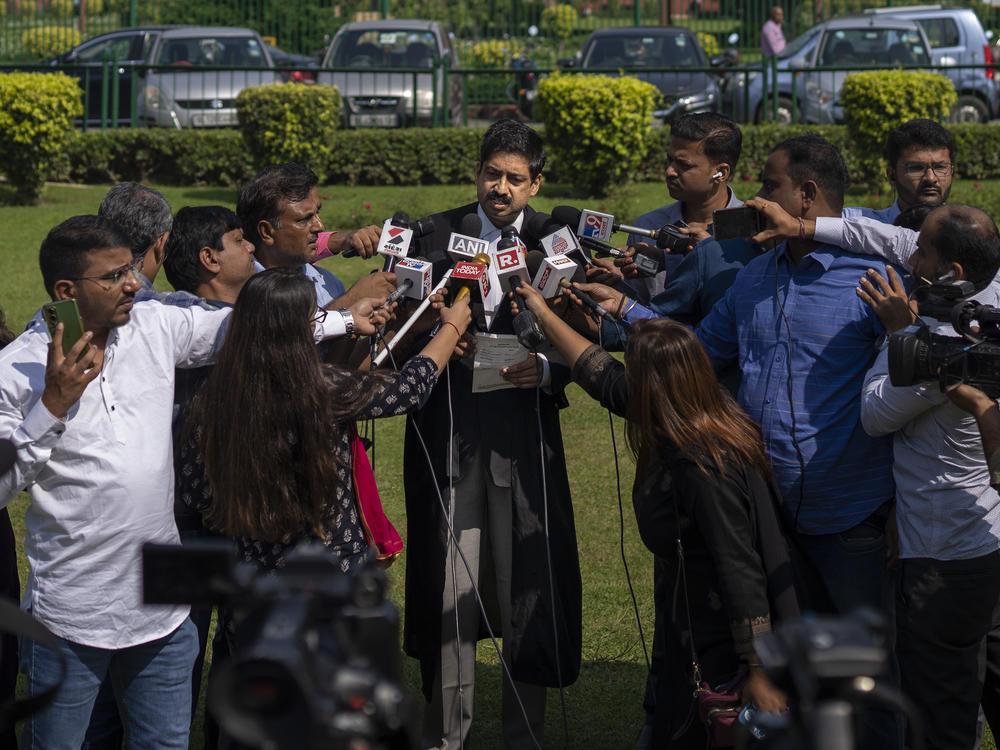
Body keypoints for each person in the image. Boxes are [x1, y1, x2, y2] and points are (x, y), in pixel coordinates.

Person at [576, 136, 899, 748]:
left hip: (851, 522)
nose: (756, 197)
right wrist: (623, 307)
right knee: (786, 687)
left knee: (867, 683)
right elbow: (696, 353)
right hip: (769, 521)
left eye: (771, 186)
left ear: (805, 195)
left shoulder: (876, 281)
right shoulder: (753, 278)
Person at [512, 282, 795, 748]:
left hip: (721, 643)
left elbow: (740, 569)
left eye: (636, 372)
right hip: (685, 626)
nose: (627, 379)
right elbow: (603, 377)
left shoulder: (704, 466)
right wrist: (542, 314)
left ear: (653, 386)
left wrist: (759, 672)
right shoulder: (692, 414)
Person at [0, 216, 229, 749]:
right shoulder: (17, 372)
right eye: (114, 275)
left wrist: (341, 316)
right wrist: (52, 405)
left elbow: (247, 330)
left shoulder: (152, 325)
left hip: (166, 608)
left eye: (130, 268)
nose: (133, 282)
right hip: (69, 618)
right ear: (65, 291)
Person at [402, 119, 582, 750]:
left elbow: (588, 339)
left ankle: (524, 737)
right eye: (490, 174)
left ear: (536, 183)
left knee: (526, 587)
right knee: (451, 589)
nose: (499, 189)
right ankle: (446, 736)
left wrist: (550, 367)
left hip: (524, 445)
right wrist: (438, 345)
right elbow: (400, 326)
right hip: (451, 440)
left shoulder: (558, 242)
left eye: (513, 178)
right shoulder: (432, 236)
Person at [186, 267, 471, 576]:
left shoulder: (213, 394)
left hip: (251, 580)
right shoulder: (319, 388)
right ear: (298, 329)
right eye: (315, 318)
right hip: (330, 573)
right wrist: (451, 328)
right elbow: (409, 389)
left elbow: (196, 491)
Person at [858, 205, 1000, 750]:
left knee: (941, 713)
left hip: (943, 560)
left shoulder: (942, 353)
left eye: (921, 250)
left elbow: (873, 414)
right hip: (986, 539)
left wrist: (900, 332)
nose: (910, 258)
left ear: (953, 273)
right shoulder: (985, 331)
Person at [614, 112, 744, 300]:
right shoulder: (647, 226)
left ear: (720, 173)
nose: (669, 171)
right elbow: (636, 306)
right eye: (669, 160)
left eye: (684, 165)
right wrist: (616, 279)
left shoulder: (751, 231)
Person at [236, 162, 392, 309]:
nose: (320, 226)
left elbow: (348, 339)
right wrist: (351, 302)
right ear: (267, 232)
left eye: (317, 213)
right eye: (304, 219)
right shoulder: (242, 291)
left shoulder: (327, 282)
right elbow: (290, 336)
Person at [843, 118, 954, 224]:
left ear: (951, 171)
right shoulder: (862, 228)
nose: (930, 178)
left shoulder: (968, 232)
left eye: (940, 167)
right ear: (892, 176)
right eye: (916, 168)